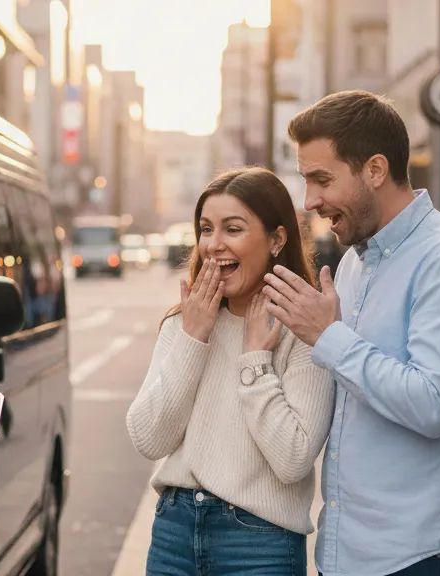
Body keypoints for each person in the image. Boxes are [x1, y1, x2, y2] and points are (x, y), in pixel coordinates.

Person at [264, 90, 440, 576]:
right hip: (348, 552)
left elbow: (433, 402)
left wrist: (328, 338)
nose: (310, 201)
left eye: (322, 179)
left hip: (421, 553)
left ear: (375, 170)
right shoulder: (353, 262)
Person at [127, 167, 335, 575]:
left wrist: (256, 361)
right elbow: (149, 438)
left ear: (276, 239)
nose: (213, 245)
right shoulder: (184, 324)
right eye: (206, 229)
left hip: (259, 544)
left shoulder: (304, 330)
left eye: (232, 229)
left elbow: (293, 460)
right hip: (174, 533)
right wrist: (193, 338)